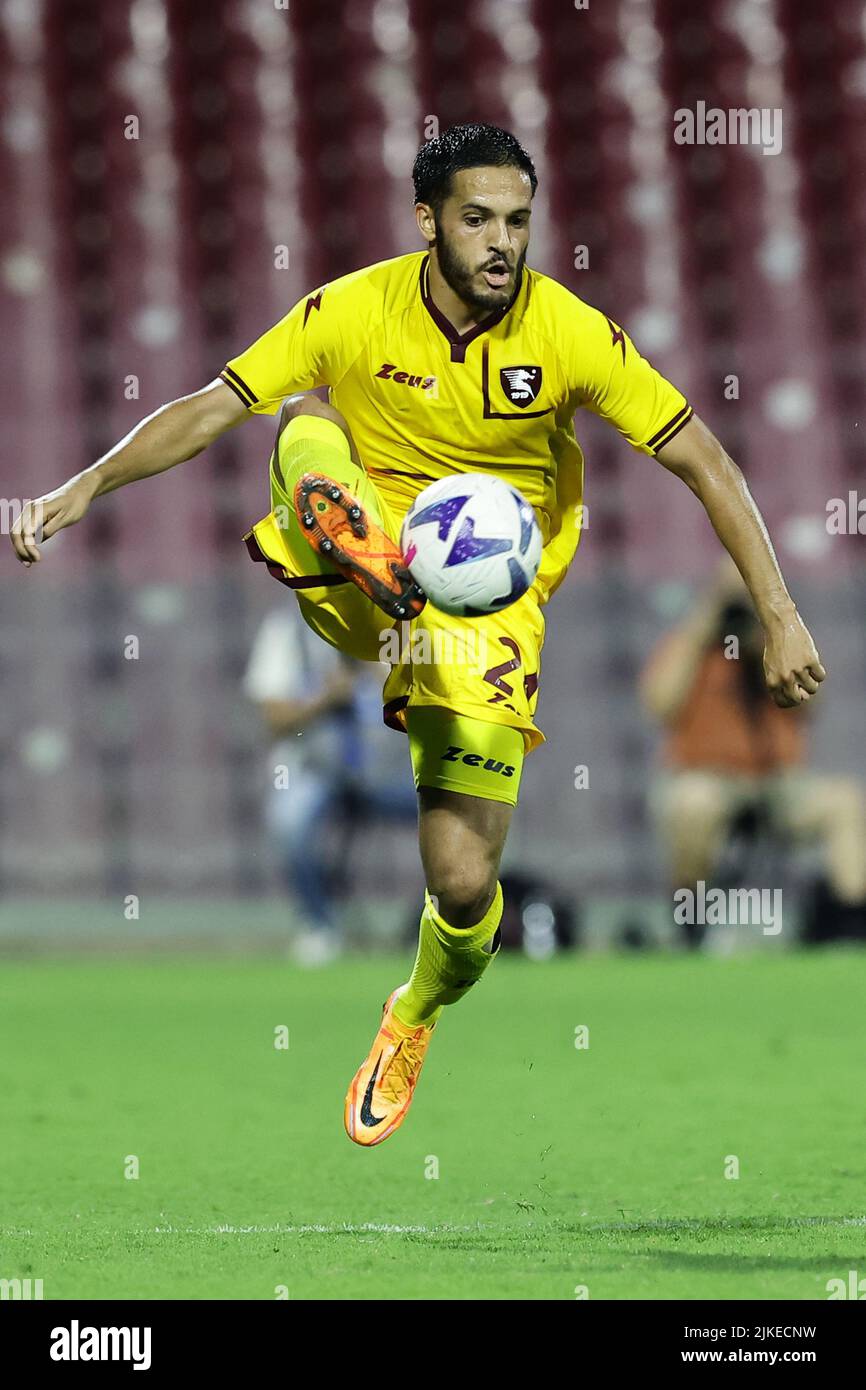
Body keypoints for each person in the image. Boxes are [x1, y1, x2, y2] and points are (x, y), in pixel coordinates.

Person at [11, 123, 826, 1147]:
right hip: (365, 560)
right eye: (477, 218)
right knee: (302, 414)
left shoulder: (566, 331)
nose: (501, 242)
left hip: (483, 607)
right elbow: (207, 408)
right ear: (427, 220)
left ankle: (413, 1012)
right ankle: (348, 527)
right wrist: (78, 488)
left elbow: (701, 457)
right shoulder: (353, 309)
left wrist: (782, 612)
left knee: (460, 881)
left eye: (518, 221)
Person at [641, 561, 865, 945]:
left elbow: (811, 702)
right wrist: (704, 626)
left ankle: (851, 925)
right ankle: (691, 924)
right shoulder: (690, 644)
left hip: (777, 782)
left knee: (845, 802)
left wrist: (764, 640)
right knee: (692, 803)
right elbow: (659, 704)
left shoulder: (780, 644)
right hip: (707, 777)